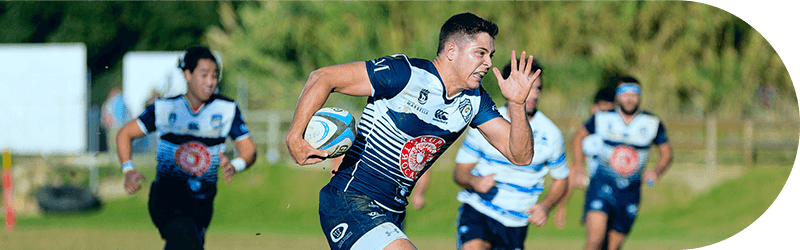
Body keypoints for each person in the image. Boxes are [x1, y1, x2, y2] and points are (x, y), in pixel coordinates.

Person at [285, 12, 541, 250]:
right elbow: (323, 77)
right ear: (451, 50)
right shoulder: (405, 74)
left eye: (491, 56)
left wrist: (517, 104)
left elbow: (520, 155)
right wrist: (294, 136)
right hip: (350, 199)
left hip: (393, 212)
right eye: (480, 53)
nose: (487, 63)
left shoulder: (474, 101)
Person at [116, 45, 257, 250]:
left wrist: (235, 165)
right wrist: (128, 170)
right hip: (167, 198)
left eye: (215, 75)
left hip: (202, 202)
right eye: (204, 74)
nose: (210, 81)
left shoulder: (226, 109)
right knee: (188, 243)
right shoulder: (165, 108)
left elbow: (249, 150)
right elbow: (124, 134)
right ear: (188, 74)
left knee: (184, 244)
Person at [452, 58, 568, 250]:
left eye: (537, 88)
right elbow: (459, 173)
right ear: (507, 87)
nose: (533, 94)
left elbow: (561, 178)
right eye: (526, 87)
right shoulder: (486, 122)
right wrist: (475, 182)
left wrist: (546, 206)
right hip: (479, 211)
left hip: (516, 222)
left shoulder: (551, 134)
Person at [571, 76, 673, 250]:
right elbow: (578, 137)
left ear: (640, 97)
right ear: (618, 96)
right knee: (595, 241)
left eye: (634, 94)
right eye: (625, 94)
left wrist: (656, 171)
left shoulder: (651, 122)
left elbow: (666, 153)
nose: (630, 98)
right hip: (601, 184)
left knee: (613, 247)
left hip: (630, 190)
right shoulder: (603, 118)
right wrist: (579, 168)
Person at [553, 86, 616, 229]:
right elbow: (574, 170)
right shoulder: (587, 141)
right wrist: (562, 206)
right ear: (594, 107)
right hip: (595, 189)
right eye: (602, 108)